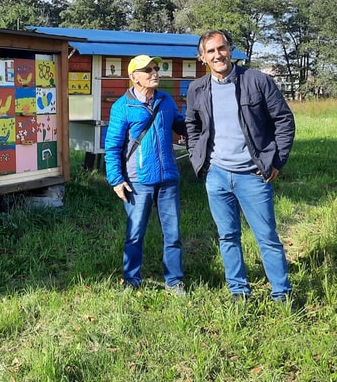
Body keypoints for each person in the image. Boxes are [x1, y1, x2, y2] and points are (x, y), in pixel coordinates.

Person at [185, 30, 295, 303]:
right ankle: (238, 291)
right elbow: (192, 126)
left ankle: (281, 294)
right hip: (217, 175)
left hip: (253, 175)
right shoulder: (197, 89)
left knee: (267, 237)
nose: (217, 55)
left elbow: (284, 121)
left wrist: (276, 161)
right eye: (210, 51)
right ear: (202, 58)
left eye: (221, 48)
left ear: (231, 49)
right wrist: (199, 159)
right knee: (228, 236)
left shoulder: (257, 81)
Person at [105, 55, 187, 296]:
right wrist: (116, 179)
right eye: (148, 69)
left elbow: (181, 125)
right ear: (134, 77)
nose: (155, 72)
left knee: (173, 233)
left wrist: (202, 118)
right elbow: (112, 147)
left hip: (168, 177)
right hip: (137, 180)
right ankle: (132, 280)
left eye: (156, 68)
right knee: (135, 233)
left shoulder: (166, 99)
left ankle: (174, 281)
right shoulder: (123, 106)